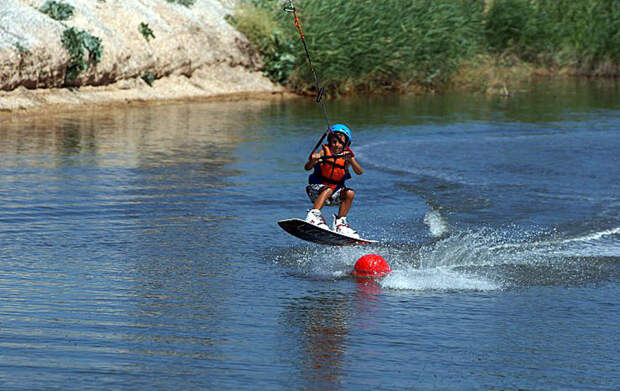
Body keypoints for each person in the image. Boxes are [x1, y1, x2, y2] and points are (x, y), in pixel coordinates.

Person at [304, 124, 363, 237]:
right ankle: (313, 216)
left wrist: (351, 161)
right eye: (334, 141)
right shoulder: (323, 152)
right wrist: (313, 160)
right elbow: (307, 168)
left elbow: (359, 172)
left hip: (332, 194)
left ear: (346, 144)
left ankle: (340, 223)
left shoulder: (347, 157)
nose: (337, 145)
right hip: (315, 190)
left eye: (340, 142)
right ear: (330, 141)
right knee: (328, 190)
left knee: (350, 193)